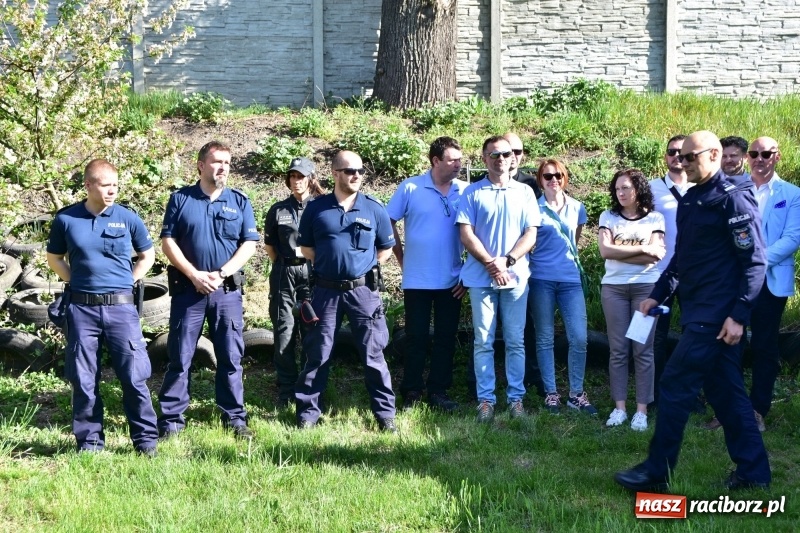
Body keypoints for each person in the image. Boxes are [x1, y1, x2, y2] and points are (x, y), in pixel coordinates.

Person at [615, 130, 771, 492]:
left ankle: (656, 472)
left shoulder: (732, 199)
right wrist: (657, 294)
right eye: (679, 157)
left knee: (674, 383)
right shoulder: (693, 199)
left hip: (716, 316)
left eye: (690, 157)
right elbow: (681, 259)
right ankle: (754, 473)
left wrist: (739, 315)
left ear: (714, 155)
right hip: (697, 311)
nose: (682, 162)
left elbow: (755, 262)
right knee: (727, 394)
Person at [46, 159, 159, 455]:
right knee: (83, 379)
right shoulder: (66, 219)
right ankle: (90, 443)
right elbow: (54, 258)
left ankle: (146, 441)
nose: (112, 191)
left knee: (134, 376)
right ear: (88, 185)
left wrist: (129, 280)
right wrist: (75, 281)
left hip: (121, 308)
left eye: (115, 185)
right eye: (106, 185)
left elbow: (147, 255)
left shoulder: (127, 218)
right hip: (82, 310)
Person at [158, 141, 259, 440]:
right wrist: (194, 274)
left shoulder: (239, 201)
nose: (223, 168)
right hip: (188, 291)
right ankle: (172, 421)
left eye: (227, 162)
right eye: (217, 162)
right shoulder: (181, 199)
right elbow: (168, 242)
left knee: (230, 356)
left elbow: (249, 244)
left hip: (225, 291)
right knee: (180, 356)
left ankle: (234, 418)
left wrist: (222, 272)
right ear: (201, 165)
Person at [295, 150, 397, 431]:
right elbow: (306, 248)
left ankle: (385, 414)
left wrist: (360, 268)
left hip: (363, 293)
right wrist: (333, 264)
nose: (356, 175)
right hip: (325, 291)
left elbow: (386, 248)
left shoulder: (374, 208)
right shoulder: (317, 208)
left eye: (360, 171)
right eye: (350, 171)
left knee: (373, 354)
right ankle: (308, 414)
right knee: (318, 353)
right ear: (335, 173)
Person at [456, 135, 539, 423]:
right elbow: (465, 233)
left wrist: (508, 260)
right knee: (483, 341)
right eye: (494, 155)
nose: (500, 159)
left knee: (516, 341)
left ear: (513, 158)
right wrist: (491, 263)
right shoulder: (472, 192)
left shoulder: (525, 192)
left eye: (505, 154)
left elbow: (531, 233)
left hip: (516, 278)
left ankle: (516, 400)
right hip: (481, 279)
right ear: (484, 159)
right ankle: (486, 401)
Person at [724, 137, 799, 432]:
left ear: (777, 156)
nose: (759, 158)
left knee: (764, 346)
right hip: (734, 280)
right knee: (731, 344)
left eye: (766, 153)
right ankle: (730, 408)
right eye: (754, 153)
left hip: (769, 281)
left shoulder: (792, 194)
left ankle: (757, 410)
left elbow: (792, 238)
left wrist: (756, 262)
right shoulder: (734, 189)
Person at [387, 137, 467, 412]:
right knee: (416, 338)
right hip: (417, 279)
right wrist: (400, 257)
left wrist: (467, 273)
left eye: (460, 159)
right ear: (435, 161)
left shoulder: (465, 190)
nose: (458, 164)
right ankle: (412, 391)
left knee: (445, 338)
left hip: (453, 281)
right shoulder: (411, 187)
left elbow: (477, 232)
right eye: (452, 160)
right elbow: (388, 221)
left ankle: (438, 392)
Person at [528, 159, 596, 415]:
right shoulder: (533, 208)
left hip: (570, 280)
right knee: (545, 337)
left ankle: (576, 394)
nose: (553, 180)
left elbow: (573, 242)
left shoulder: (577, 207)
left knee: (579, 337)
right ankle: (551, 393)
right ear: (540, 180)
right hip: (541, 279)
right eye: (547, 176)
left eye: (558, 175)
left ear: (565, 177)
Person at [598, 169, 665, 431]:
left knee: (642, 350)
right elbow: (605, 251)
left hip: (645, 290)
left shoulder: (655, 217)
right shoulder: (608, 216)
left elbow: (656, 255)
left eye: (626, 187)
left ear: (638, 189)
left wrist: (622, 251)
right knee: (618, 350)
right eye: (617, 189)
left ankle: (641, 411)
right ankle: (620, 408)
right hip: (613, 289)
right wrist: (643, 248)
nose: (621, 193)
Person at [263, 157, 326, 407]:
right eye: (292, 176)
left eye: (301, 176)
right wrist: (286, 265)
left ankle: (310, 386)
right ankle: (287, 389)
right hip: (284, 273)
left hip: (314, 273)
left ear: (311, 179)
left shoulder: (322, 207)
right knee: (283, 329)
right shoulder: (278, 210)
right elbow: (270, 247)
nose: (296, 181)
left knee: (313, 329)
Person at [647, 134, 692, 404]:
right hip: (660, 275)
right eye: (672, 151)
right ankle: (656, 393)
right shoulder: (651, 189)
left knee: (692, 336)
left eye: (682, 152)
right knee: (657, 337)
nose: (677, 156)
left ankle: (688, 393)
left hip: (694, 277)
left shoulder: (701, 187)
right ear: (665, 156)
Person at [503, 132, 544, 397]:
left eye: (518, 151)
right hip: (489, 267)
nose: (513, 157)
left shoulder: (531, 184)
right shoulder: (483, 183)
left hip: (523, 267)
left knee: (527, 324)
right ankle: (478, 382)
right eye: (509, 151)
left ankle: (532, 375)